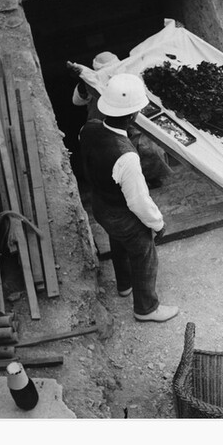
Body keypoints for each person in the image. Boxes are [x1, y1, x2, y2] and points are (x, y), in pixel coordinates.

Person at [79, 73, 179, 323]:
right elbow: (138, 201)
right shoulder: (126, 156)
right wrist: (158, 224)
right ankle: (146, 308)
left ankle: (124, 285)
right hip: (122, 212)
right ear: (134, 116)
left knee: (118, 241)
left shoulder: (88, 129)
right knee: (144, 250)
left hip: (100, 205)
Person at [68, 53, 171, 188]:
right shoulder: (93, 82)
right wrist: (84, 83)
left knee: (147, 148)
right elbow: (77, 101)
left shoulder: (127, 77)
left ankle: (151, 178)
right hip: (105, 125)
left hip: (131, 121)